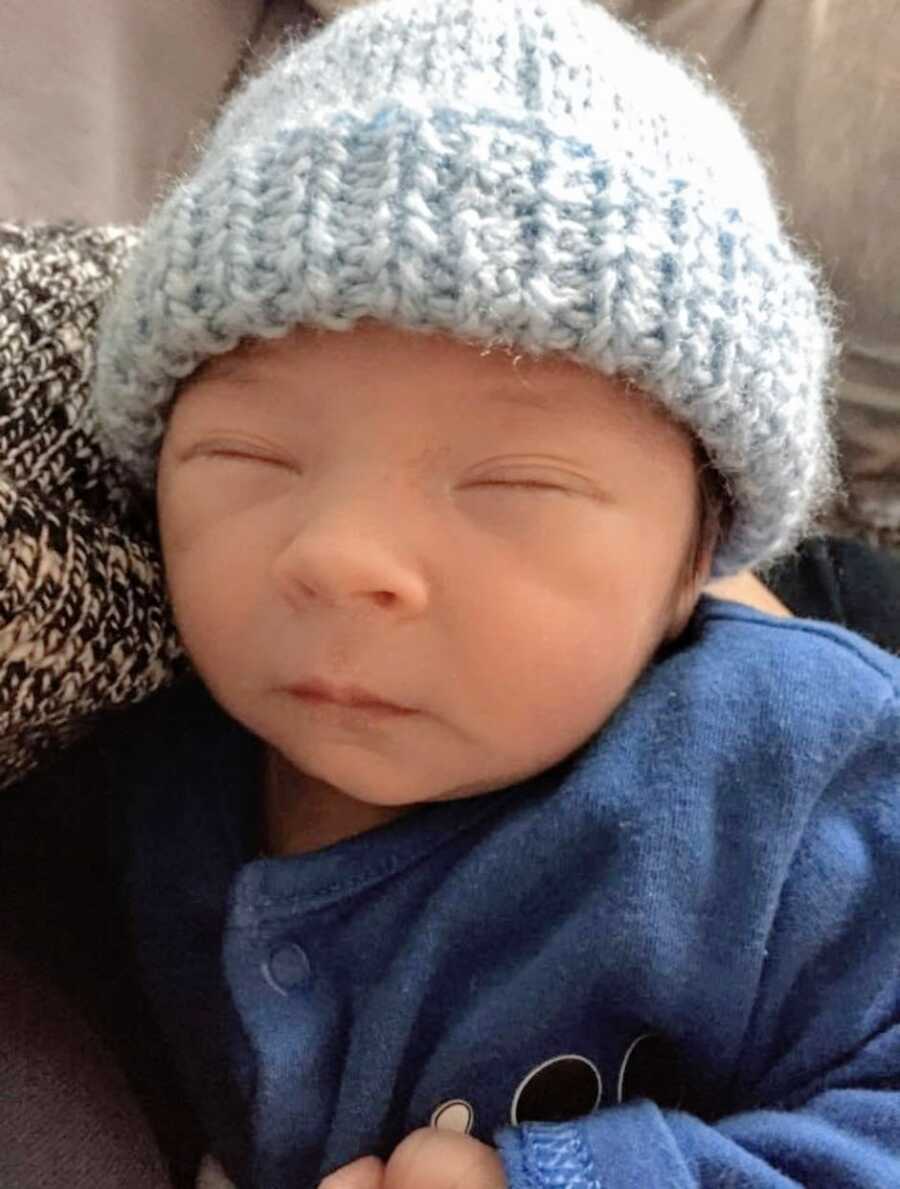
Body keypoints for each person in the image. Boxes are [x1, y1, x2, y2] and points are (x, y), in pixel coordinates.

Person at [4, 0, 900, 1186]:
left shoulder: (795, 774)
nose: (337, 553)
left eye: (513, 482)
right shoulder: (133, 752)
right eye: (250, 456)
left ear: (697, 559)